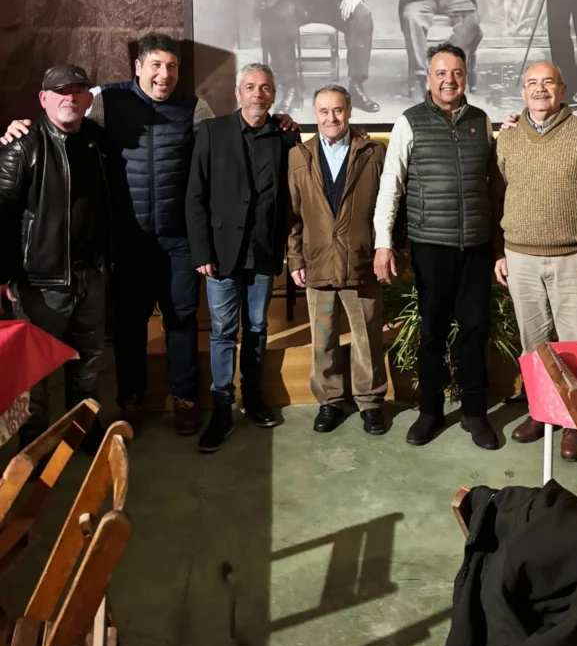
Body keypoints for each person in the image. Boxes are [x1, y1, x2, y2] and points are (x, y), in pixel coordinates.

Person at [1, 35, 298, 439]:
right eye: (156, 65)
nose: (164, 74)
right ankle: (131, 401)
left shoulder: (195, 107)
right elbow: (64, 121)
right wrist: (20, 128)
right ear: (138, 67)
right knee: (130, 324)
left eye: (172, 66)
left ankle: (186, 399)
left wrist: (283, 123)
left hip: (178, 239)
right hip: (127, 239)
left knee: (180, 320)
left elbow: (226, 140)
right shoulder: (107, 101)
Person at [373, 43, 502, 450]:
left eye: (457, 72)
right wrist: (383, 243)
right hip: (431, 246)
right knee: (432, 333)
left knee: (474, 330)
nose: (449, 80)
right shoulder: (409, 122)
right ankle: (429, 412)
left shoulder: (481, 121)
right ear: (428, 78)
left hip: (476, 246)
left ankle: (475, 413)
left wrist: (498, 247)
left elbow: (493, 186)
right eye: (441, 73)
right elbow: (390, 188)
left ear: (466, 76)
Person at [494, 62, 577, 461]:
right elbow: (498, 197)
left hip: (574, 258)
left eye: (548, 82)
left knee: (575, 346)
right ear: (522, 93)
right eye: (532, 83)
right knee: (534, 347)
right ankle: (542, 412)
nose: (540, 89)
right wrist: (501, 250)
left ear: (563, 89)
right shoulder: (507, 139)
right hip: (521, 259)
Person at [186, 63, 300, 454]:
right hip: (219, 254)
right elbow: (195, 196)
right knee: (222, 331)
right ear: (238, 93)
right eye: (250, 87)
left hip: (264, 252)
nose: (257, 93)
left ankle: (252, 398)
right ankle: (222, 407)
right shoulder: (212, 132)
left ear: (273, 94)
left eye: (265, 88)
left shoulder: (285, 137)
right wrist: (201, 250)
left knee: (256, 328)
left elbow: (291, 196)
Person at [0, 65, 109, 451]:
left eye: (78, 91)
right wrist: (7, 276)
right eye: (60, 91)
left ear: (88, 100)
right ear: (43, 99)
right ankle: (34, 449)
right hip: (40, 283)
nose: (70, 97)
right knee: (35, 375)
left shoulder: (97, 140)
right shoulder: (22, 144)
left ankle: (84, 436)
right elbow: (3, 214)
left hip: (90, 276)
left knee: (88, 366)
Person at [287, 85, 388, 435]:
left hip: (361, 261)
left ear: (349, 111)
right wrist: (295, 258)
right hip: (317, 261)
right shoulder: (298, 157)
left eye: (338, 110)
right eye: (324, 111)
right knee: (323, 338)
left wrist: (385, 249)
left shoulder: (374, 152)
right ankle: (329, 401)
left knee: (367, 338)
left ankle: (370, 402)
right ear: (314, 116)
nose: (332, 118)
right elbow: (293, 216)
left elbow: (388, 207)